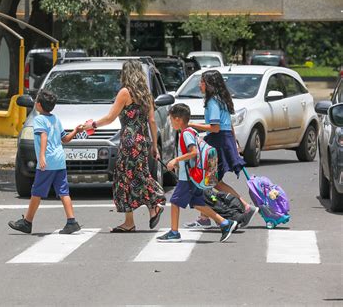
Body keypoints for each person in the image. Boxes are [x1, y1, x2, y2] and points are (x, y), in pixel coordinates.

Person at [83, 60, 165, 232]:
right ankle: (144, 212)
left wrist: (93, 125)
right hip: (142, 140)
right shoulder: (146, 94)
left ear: (126, 74)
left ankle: (154, 202)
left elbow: (111, 117)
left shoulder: (125, 92)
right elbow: (151, 120)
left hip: (129, 141)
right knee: (137, 176)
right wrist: (154, 145)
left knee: (124, 178)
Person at [185, 70, 259, 229]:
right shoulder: (221, 99)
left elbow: (215, 127)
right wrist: (234, 142)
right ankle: (205, 216)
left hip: (218, 142)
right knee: (211, 182)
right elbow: (229, 125)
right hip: (223, 140)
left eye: (202, 82)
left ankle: (244, 207)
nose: (200, 85)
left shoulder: (213, 101)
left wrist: (191, 125)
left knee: (210, 181)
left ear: (210, 84)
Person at [157, 103, 238, 243]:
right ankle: (224, 223)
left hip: (188, 177)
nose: (171, 122)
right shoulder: (192, 131)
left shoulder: (186, 133)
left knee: (175, 202)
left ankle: (174, 232)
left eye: (171, 119)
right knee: (197, 203)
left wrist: (176, 159)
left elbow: (193, 152)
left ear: (178, 119)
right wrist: (178, 163)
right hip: (193, 175)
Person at [8, 90, 84, 234]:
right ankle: (72, 221)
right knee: (63, 192)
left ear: (39, 105)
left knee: (36, 192)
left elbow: (43, 136)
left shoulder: (39, 119)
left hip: (48, 161)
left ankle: (27, 222)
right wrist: (76, 131)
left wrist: (42, 157)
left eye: (36, 101)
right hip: (60, 161)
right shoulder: (55, 119)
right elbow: (65, 139)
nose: (35, 102)